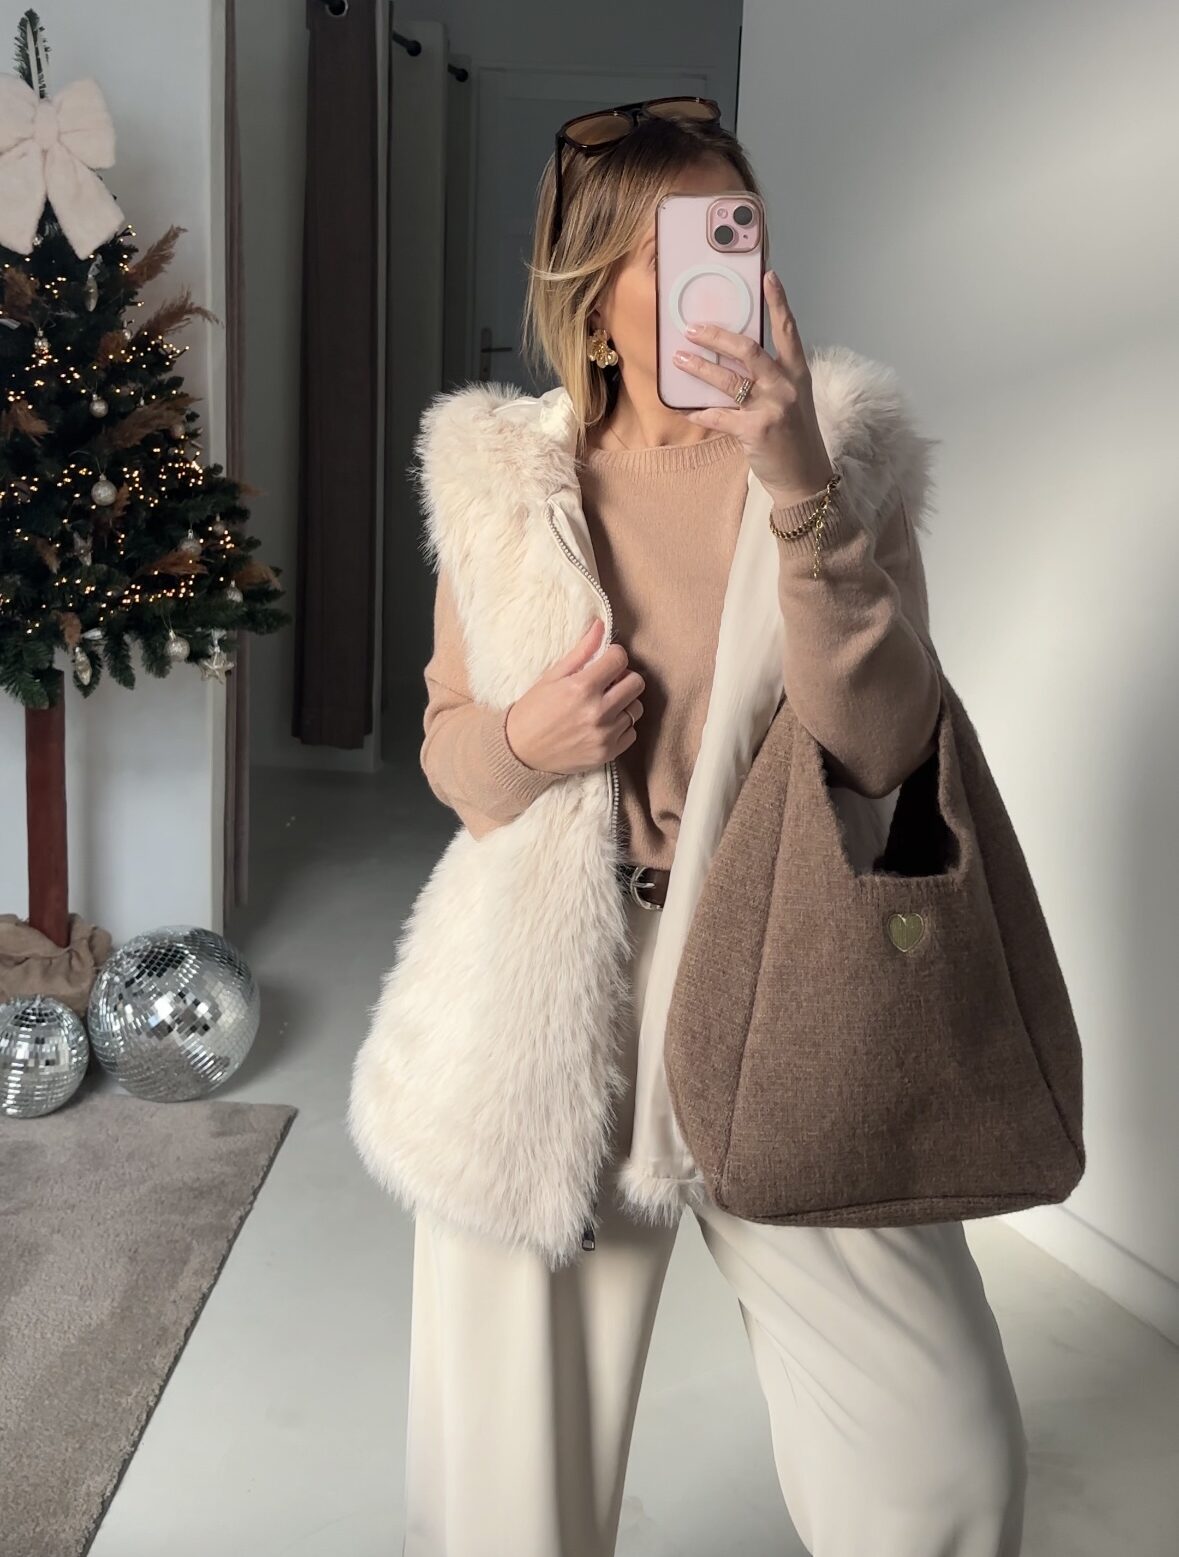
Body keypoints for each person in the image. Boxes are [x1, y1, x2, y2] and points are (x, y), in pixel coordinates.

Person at [351, 99, 1028, 1557]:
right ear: (595, 300)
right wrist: (527, 742)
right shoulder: (501, 480)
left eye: (739, 231)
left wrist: (800, 493)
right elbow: (455, 758)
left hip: (785, 966)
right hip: (550, 994)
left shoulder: (843, 457)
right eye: (677, 249)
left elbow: (888, 743)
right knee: (505, 1487)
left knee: (938, 1440)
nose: (726, 272)